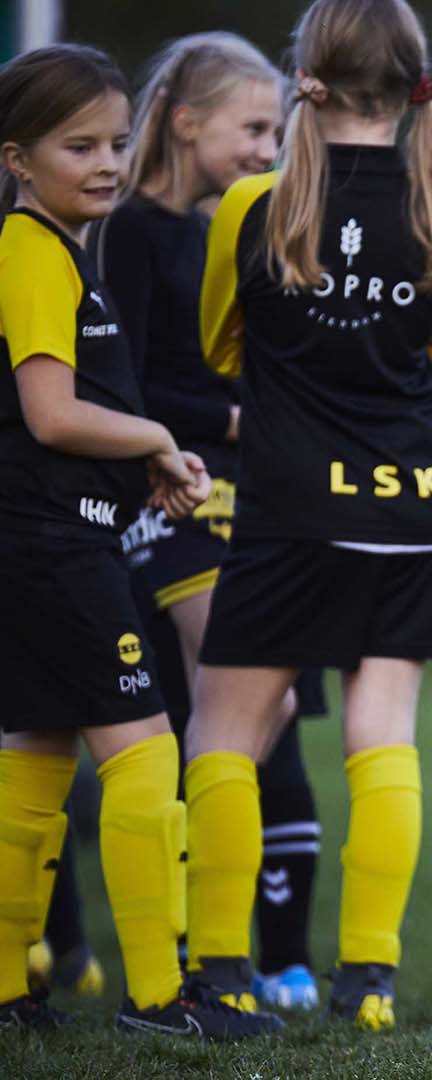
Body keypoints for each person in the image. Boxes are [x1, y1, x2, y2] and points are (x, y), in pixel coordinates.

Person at [183, 0, 432, 1033]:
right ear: (411, 84)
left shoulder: (250, 206)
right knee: (382, 732)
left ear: (305, 77)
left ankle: (217, 973)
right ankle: (370, 982)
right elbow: (431, 352)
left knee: (226, 729)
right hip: (411, 504)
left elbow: (222, 344)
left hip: (289, 505)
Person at [0, 43, 281, 1039]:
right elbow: (49, 414)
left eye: (117, 140)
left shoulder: (67, 247)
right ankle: (162, 997)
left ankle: (9, 988)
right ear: (17, 160)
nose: (107, 162)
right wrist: (162, 437)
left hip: (50, 540)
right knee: (147, 754)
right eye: (78, 146)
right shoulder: (31, 250)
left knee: (35, 752)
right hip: (50, 551)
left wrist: (141, 479)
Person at [96, 30, 329, 1012]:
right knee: (220, 711)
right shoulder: (129, 232)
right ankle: (194, 954)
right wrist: (222, 422)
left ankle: (251, 952)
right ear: (184, 124)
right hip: (167, 500)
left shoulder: (228, 226)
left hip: (245, 498)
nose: (266, 147)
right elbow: (128, 381)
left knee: (263, 713)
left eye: (278, 128)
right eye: (252, 127)